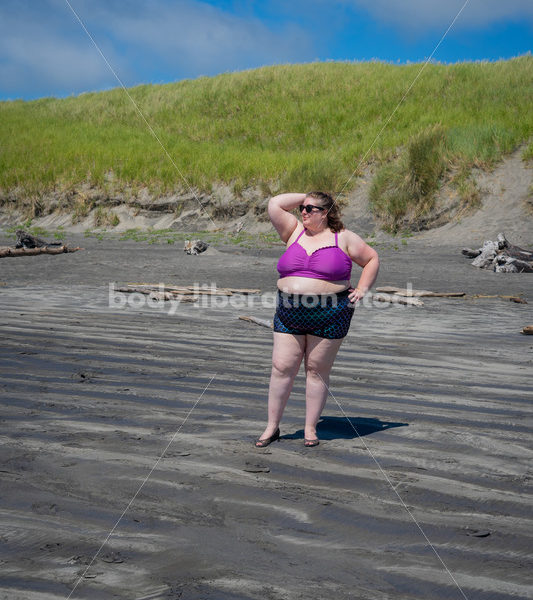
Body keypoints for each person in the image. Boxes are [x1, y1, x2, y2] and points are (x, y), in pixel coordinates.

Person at [255, 191, 379, 448]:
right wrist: (308, 194)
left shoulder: (343, 237)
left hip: (330, 312)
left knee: (316, 371)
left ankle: (310, 428)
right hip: (289, 310)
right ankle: (272, 426)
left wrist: (363, 289)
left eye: (311, 208)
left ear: (326, 212)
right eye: (302, 207)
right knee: (281, 367)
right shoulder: (293, 231)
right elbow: (275, 203)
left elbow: (371, 259)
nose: (303, 211)